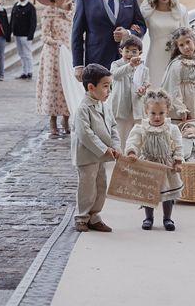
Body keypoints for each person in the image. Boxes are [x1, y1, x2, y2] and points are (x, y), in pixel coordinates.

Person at [71, 0, 147, 80]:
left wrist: (127, 33)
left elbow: (141, 26)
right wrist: (78, 65)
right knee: (99, 99)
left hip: (126, 61)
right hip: (96, 60)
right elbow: (77, 34)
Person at [71, 63, 121, 233]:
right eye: (106, 86)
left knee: (101, 186)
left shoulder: (104, 106)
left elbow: (113, 127)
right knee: (87, 187)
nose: (109, 90)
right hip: (87, 157)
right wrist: (103, 149)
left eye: (110, 86)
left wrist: (115, 146)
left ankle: (95, 216)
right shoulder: (83, 109)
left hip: (101, 157)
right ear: (91, 87)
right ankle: (82, 217)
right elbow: (85, 134)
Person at [125, 89, 183, 231]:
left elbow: (178, 145)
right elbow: (133, 141)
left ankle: (167, 218)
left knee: (168, 193)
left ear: (167, 110)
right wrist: (132, 152)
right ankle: (148, 217)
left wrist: (178, 161)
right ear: (146, 111)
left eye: (161, 113)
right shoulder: (141, 128)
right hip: (148, 165)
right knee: (148, 192)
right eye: (153, 113)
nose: (157, 117)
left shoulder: (171, 128)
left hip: (166, 165)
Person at [35, 0, 80, 136]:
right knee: (54, 87)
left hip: (70, 53)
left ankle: (66, 119)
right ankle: (53, 120)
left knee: (69, 85)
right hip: (53, 54)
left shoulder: (73, 11)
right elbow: (45, 35)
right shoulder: (48, 12)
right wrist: (57, 43)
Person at [140, 0, 189, 87]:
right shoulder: (147, 13)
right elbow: (139, 33)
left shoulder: (181, 11)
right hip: (154, 58)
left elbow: (188, 36)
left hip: (175, 58)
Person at [161, 27, 195, 123]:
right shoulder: (176, 65)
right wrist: (181, 108)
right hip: (180, 104)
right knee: (181, 129)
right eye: (181, 45)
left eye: (188, 42)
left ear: (194, 41)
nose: (186, 47)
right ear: (178, 48)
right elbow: (174, 89)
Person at [110, 35, 150, 143]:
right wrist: (130, 65)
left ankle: (135, 155)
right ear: (120, 51)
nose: (130, 54)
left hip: (137, 106)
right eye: (127, 51)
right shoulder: (116, 64)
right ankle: (121, 156)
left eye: (134, 51)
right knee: (121, 133)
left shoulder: (143, 68)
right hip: (121, 106)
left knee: (137, 135)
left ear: (140, 53)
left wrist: (143, 88)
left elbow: (146, 82)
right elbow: (115, 75)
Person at [10, 0, 38, 80]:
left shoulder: (30, 7)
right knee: (21, 54)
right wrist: (10, 31)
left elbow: (33, 22)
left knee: (27, 54)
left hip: (26, 35)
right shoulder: (16, 5)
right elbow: (12, 20)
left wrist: (30, 35)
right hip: (17, 34)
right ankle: (24, 72)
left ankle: (30, 72)